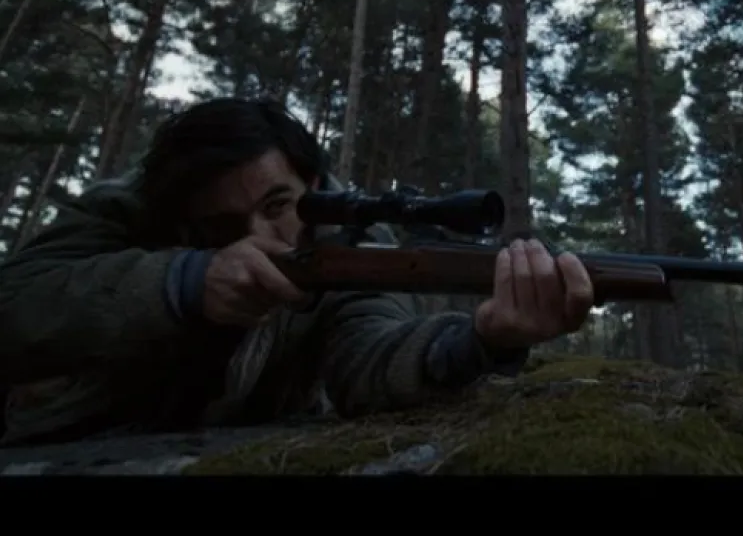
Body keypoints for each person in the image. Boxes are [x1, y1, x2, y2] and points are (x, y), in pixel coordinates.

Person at [0, 98, 595, 446]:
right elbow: (16, 303)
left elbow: (369, 358)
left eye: (276, 206)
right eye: (224, 224)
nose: (259, 238)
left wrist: (482, 340)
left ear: (311, 184)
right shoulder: (125, 210)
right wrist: (181, 284)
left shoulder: (350, 248)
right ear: (181, 215)